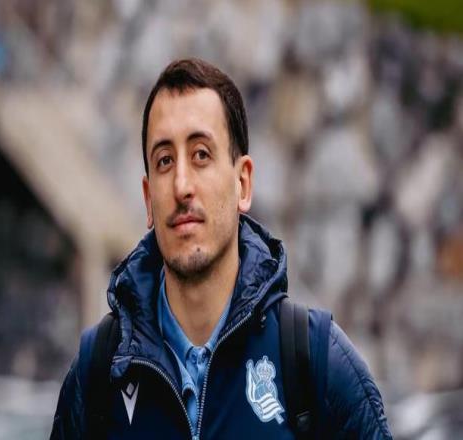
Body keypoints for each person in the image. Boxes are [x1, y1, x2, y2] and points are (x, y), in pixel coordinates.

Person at [51, 58, 393, 439]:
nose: (182, 185)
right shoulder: (99, 374)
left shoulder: (315, 364)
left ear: (242, 183)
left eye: (201, 155)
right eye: (164, 161)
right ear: (148, 199)